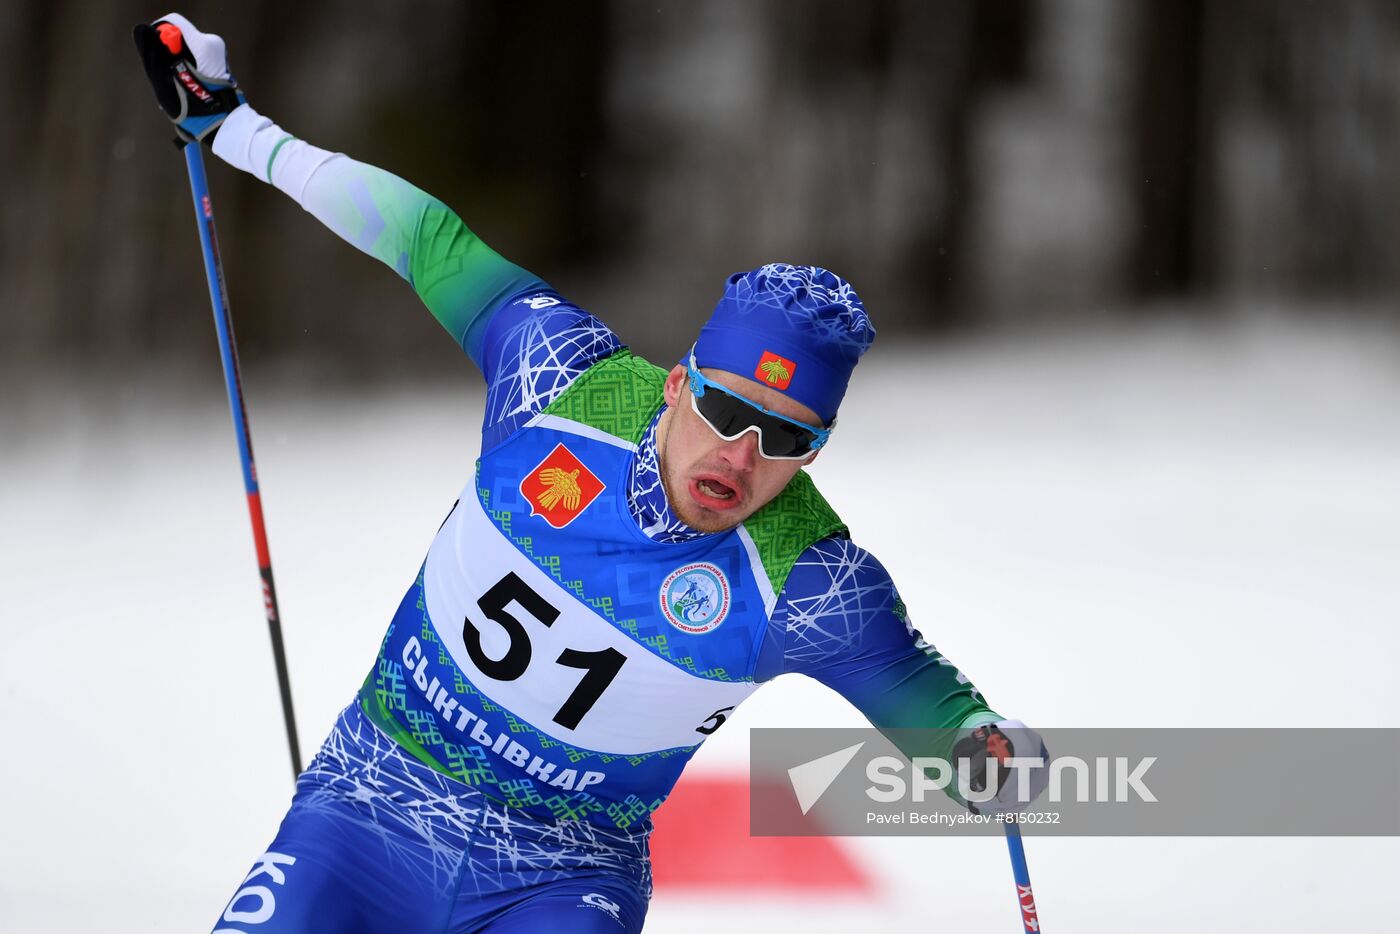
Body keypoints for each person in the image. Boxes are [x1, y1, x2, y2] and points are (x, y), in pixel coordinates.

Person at [135, 14, 1049, 933]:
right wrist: (232, 127)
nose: (740, 456)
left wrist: (994, 760)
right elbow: (420, 235)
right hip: (369, 811)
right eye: (727, 413)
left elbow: (941, 719)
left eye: (787, 440)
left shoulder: (810, 581)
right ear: (679, 383)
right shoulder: (561, 378)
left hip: (563, 882)